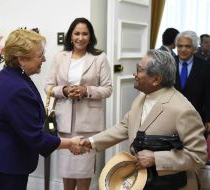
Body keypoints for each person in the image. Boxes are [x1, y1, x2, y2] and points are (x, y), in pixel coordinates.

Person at [0, 28, 83, 190]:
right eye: (39, 56)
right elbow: (35, 137)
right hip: (2, 165)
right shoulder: (17, 89)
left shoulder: (7, 76)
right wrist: (70, 143)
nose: (44, 59)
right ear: (22, 59)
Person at [81, 49, 207, 190]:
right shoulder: (142, 97)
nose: (134, 74)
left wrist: (156, 159)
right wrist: (90, 142)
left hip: (173, 185)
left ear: (156, 79)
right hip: (142, 181)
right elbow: (125, 126)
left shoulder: (183, 110)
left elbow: (198, 156)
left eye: (139, 70)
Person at [45, 17, 112, 190]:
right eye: (76, 33)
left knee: (84, 172)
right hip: (64, 123)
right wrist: (65, 90)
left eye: (84, 34)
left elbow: (107, 89)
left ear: (90, 37)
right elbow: (48, 87)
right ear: (70, 36)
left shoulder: (99, 58)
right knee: (67, 171)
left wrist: (86, 90)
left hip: (88, 124)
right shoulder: (60, 57)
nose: (80, 38)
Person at [174, 31, 210, 136]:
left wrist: (208, 119)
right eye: (180, 46)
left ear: (194, 48)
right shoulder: (169, 64)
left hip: (197, 118)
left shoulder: (205, 66)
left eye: (187, 46)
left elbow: (208, 94)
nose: (183, 49)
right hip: (172, 118)